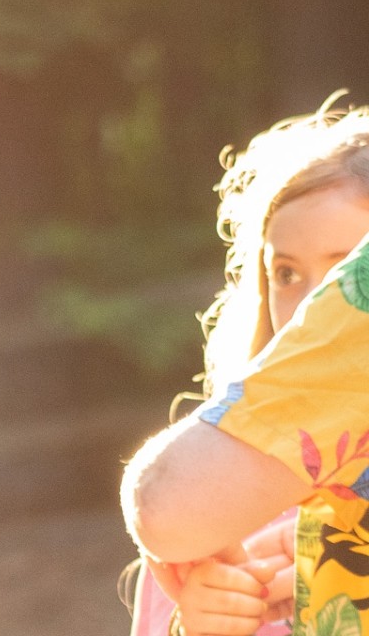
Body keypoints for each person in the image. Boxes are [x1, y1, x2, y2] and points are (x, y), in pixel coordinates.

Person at [122, 93, 369, 636]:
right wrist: (198, 625)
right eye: (287, 274)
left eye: (342, 278)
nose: (313, 305)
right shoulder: (222, 497)